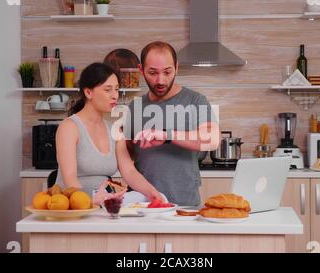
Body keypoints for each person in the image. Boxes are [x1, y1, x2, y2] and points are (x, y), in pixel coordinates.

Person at [123, 41, 220, 206]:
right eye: (152, 73)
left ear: (176, 67)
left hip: (185, 203)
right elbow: (128, 154)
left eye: (167, 72)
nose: (160, 80)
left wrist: (166, 135)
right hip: (143, 205)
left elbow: (212, 139)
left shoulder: (195, 100)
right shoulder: (135, 106)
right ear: (141, 70)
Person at [55, 62, 164, 205]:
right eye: (108, 90)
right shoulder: (69, 127)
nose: (115, 96)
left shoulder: (114, 130)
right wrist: (90, 202)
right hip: (74, 205)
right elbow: (70, 180)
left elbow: (129, 171)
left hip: (104, 203)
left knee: (145, 197)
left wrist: (151, 192)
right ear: (88, 92)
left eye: (117, 89)